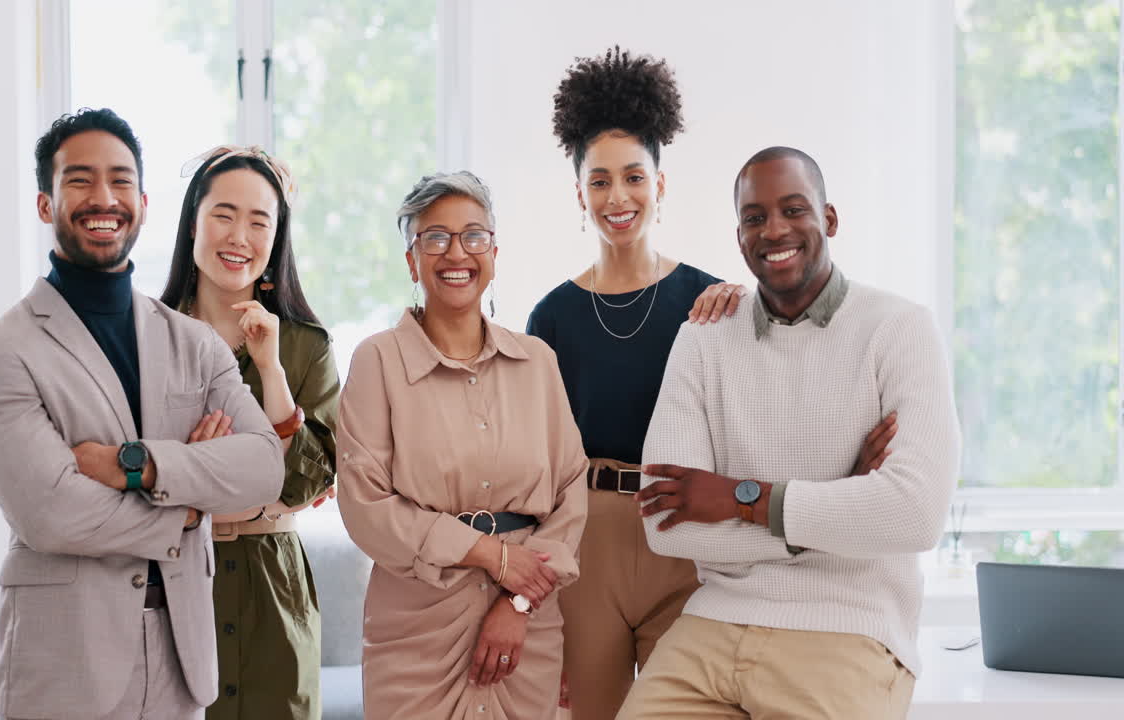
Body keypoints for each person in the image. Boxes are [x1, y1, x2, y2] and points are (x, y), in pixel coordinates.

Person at [527, 48, 898, 719]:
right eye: (600, 181)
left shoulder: (714, 301)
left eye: (634, 177)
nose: (619, 197)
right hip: (590, 537)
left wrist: (847, 477)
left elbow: (778, 403)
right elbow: (539, 464)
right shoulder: (550, 316)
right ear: (579, 194)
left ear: (660, 186)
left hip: (685, 536)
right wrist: (539, 592)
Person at [0, 109, 286, 720]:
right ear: (44, 203)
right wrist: (191, 508)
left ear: (141, 201)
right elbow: (51, 513)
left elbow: (264, 466)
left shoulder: (194, 342)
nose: (103, 198)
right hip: (65, 666)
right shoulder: (0, 350)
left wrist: (133, 465)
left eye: (119, 181)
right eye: (79, 180)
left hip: (180, 660)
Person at [619, 147, 960, 719]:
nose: (774, 230)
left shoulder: (900, 330)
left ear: (828, 219)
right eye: (755, 217)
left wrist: (738, 498)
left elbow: (916, 512)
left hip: (849, 628)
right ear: (739, 235)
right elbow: (667, 524)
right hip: (712, 623)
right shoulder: (703, 339)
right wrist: (834, 507)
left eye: (793, 210)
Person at [336, 171, 589, 719]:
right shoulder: (376, 362)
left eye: (473, 236)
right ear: (412, 260)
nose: (457, 252)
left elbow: (572, 493)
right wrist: (493, 557)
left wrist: (519, 600)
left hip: (528, 630)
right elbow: (364, 507)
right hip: (416, 631)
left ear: (494, 254)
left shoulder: (538, 363)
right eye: (435, 237)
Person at [160, 144, 340, 720]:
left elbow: (302, 487)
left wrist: (271, 370)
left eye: (259, 220)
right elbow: (129, 470)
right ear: (193, 222)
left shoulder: (307, 347)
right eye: (223, 214)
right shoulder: (145, 338)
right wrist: (193, 472)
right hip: (171, 577)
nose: (240, 235)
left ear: (276, 237)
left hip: (273, 586)